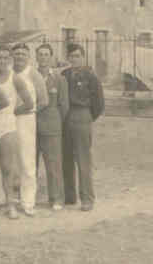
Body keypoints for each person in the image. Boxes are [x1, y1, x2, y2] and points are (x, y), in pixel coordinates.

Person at [0, 44, 35, 219]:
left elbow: (29, 103)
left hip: (7, 125)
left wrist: (12, 112)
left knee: (7, 168)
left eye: (6, 58)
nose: (2, 61)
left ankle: (10, 205)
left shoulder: (15, 78)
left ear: (9, 60)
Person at [61, 44, 104, 211]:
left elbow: (99, 103)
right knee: (66, 158)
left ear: (83, 57)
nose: (74, 59)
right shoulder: (64, 75)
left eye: (77, 56)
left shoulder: (90, 76)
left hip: (82, 115)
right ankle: (69, 196)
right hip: (65, 117)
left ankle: (87, 198)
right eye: (71, 56)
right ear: (68, 58)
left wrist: (87, 117)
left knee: (83, 159)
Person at [11, 43, 48, 216]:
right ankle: (10, 199)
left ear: (28, 57)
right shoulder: (8, 72)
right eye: (16, 54)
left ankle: (28, 201)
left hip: (26, 119)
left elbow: (43, 101)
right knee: (8, 161)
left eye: (23, 54)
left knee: (27, 161)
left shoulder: (33, 74)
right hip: (7, 119)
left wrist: (29, 111)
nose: (19, 57)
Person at [35, 44, 69, 211]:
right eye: (40, 54)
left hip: (52, 127)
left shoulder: (59, 79)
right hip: (31, 126)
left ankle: (56, 198)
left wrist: (55, 121)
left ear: (51, 57)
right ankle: (30, 199)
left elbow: (64, 106)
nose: (43, 58)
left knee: (53, 164)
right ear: (36, 57)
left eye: (46, 54)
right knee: (30, 164)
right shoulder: (30, 77)